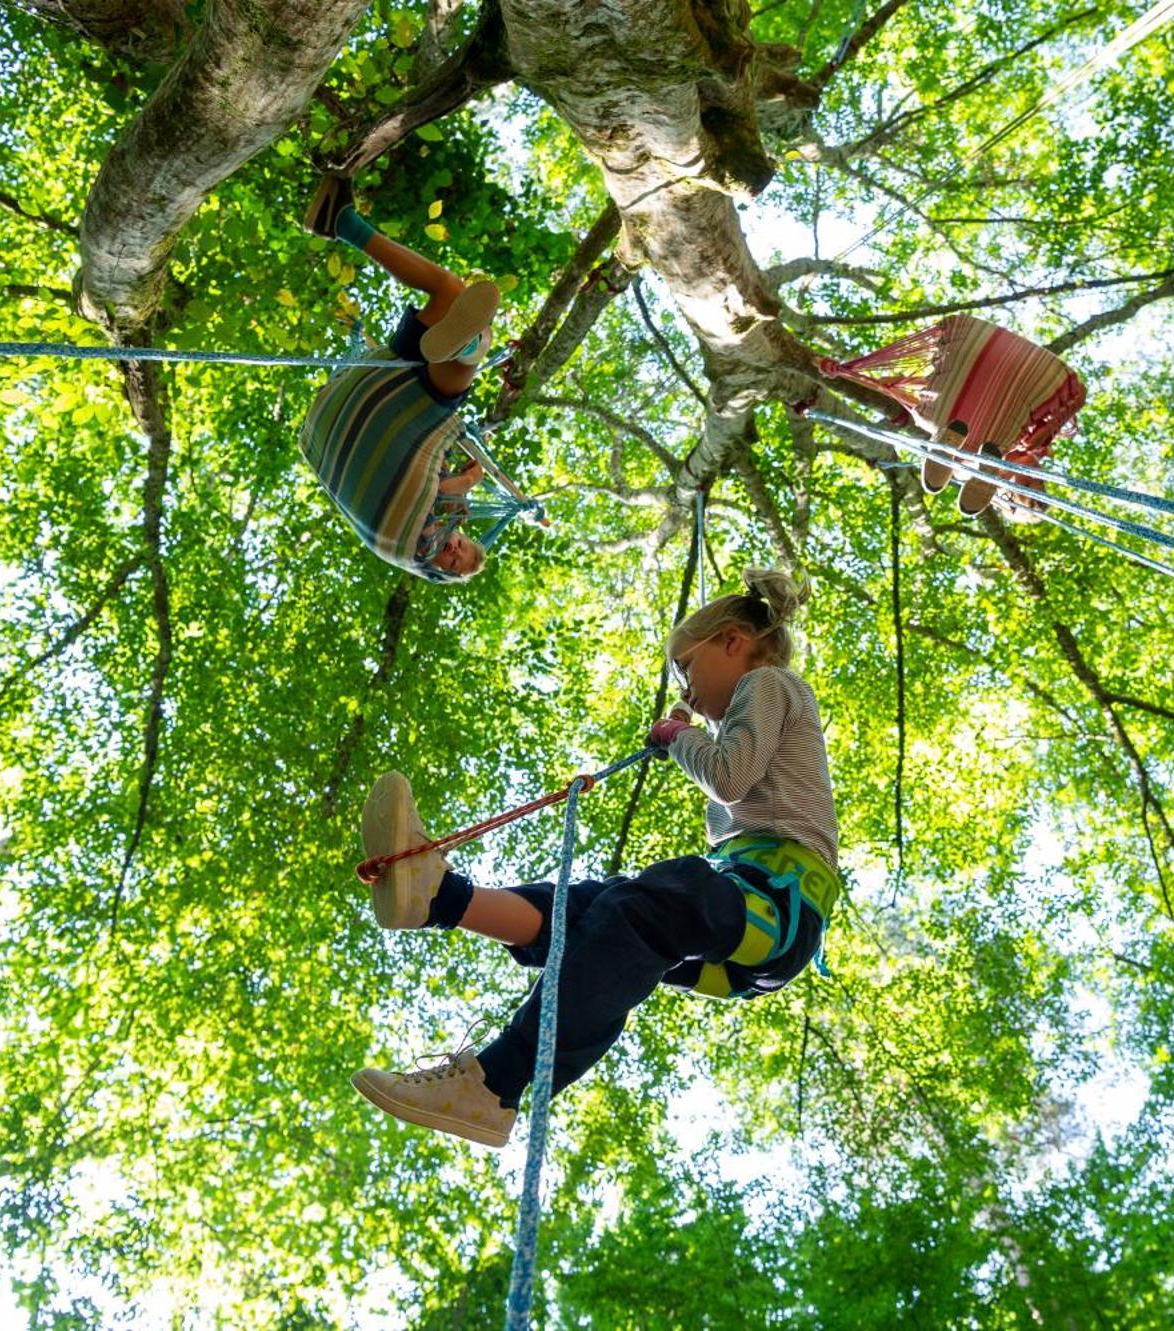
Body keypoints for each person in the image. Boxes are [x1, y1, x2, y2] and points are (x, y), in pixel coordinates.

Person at [350, 569, 842, 1147]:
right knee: (599, 909)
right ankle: (437, 898)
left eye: (686, 665)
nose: (684, 685)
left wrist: (678, 737)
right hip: (752, 922)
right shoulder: (749, 705)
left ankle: (493, 1085)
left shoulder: (767, 685)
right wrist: (685, 735)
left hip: (777, 908)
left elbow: (729, 777)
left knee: (651, 900)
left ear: (734, 641)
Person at [297, 176, 506, 583]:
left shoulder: (422, 549)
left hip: (385, 427)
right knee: (448, 291)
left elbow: (437, 495)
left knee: (448, 396)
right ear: (465, 537)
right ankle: (340, 222)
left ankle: (470, 349)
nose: (450, 551)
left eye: (452, 563)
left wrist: (468, 479)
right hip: (370, 402)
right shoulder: (442, 513)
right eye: (461, 548)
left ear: (439, 572)